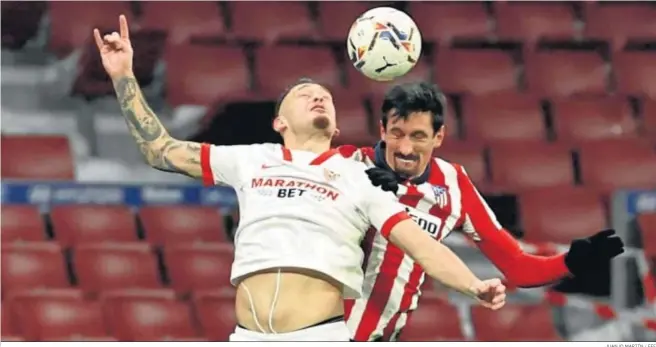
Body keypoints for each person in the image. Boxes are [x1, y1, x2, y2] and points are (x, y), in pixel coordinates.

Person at [94, 16, 507, 342]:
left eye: (325, 96)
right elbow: (160, 150)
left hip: (320, 338)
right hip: (247, 338)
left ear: (337, 129)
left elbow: (420, 244)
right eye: (304, 94)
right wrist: (123, 75)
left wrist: (474, 285)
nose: (318, 95)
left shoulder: (360, 177)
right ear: (279, 122)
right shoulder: (252, 160)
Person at [338, 81, 626, 341]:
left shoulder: (454, 184)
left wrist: (569, 262)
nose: (405, 147)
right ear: (382, 130)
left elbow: (517, 266)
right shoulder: (346, 165)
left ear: (439, 137)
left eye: (418, 136)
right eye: (396, 134)